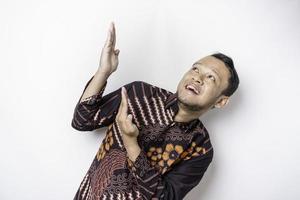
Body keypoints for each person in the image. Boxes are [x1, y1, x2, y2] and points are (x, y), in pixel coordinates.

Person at [71, 22, 239, 200]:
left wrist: (131, 143)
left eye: (211, 77)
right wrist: (103, 72)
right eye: (195, 69)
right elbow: (82, 121)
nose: (197, 77)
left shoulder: (200, 149)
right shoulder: (139, 94)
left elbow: (164, 197)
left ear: (221, 101)